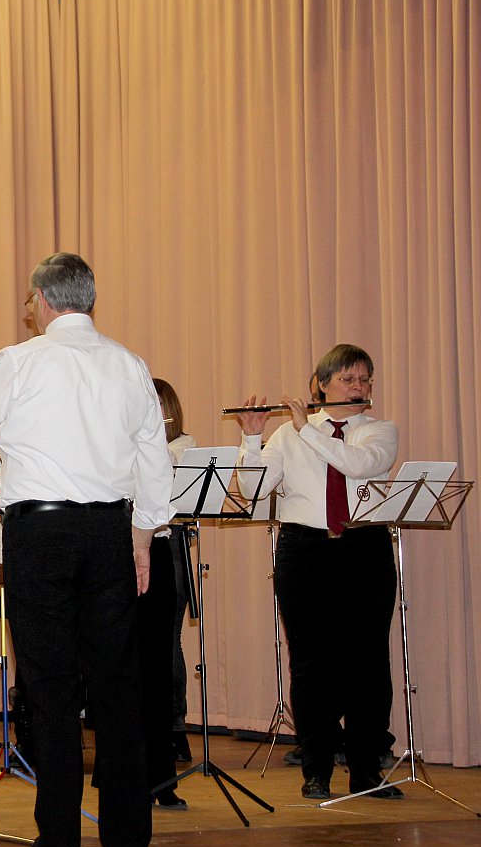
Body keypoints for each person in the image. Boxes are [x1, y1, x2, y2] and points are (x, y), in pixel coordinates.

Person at [0, 253, 172, 847]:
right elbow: (154, 460)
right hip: (110, 530)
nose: (28, 310)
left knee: (51, 690)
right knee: (118, 691)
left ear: (44, 299)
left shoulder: (21, 360)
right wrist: (142, 538)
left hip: (40, 532)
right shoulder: (129, 364)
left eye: (29, 300)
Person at [234, 344, 399, 801]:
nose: (359, 387)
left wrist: (307, 429)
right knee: (310, 663)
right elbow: (253, 490)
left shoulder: (379, 430)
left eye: (365, 380)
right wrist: (252, 440)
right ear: (321, 385)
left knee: (368, 663)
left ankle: (366, 772)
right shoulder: (286, 435)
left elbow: (357, 464)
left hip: (364, 548)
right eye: (348, 379)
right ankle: (316, 769)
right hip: (304, 550)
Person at [144, 379, 196, 809]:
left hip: (159, 547)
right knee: (119, 667)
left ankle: (162, 775)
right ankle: (123, 777)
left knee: (159, 659)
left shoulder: (182, 448)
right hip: (113, 549)